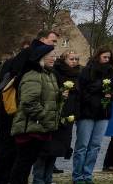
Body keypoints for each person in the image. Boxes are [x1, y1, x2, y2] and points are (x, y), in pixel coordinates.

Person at [0, 30, 60, 184]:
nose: (54, 47)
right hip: (23, 120)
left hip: (26, 120)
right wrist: (44, 116)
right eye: (53, 41)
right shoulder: (32, 67)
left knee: (22, 159)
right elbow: (29, 99)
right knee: (19, 159)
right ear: (43, 40)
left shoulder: (44, 71)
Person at [33, 50, 80, 184]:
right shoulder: (55, 73)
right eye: (71, 59)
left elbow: (78, 98)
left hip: (68, 118)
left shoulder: (77, 75)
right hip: (53, 116)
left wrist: (75, 114)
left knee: (55, 150)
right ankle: (38, 180)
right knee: (44, 150)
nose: (75, 61)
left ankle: (48, 179)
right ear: (63, 59)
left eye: (76, 59)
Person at [73, 47, 113, 184]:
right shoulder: (87, 70)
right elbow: (80, 90)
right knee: (82, 145)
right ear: (98, 56)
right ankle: (77, 175)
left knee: (95, 145)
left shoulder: (111, 71)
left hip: (103, 113)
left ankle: (87, 174)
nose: (107, 60)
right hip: (87, 112)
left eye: (108, 57)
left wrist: (112, 95)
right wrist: (96, 90)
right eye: (104, 57)